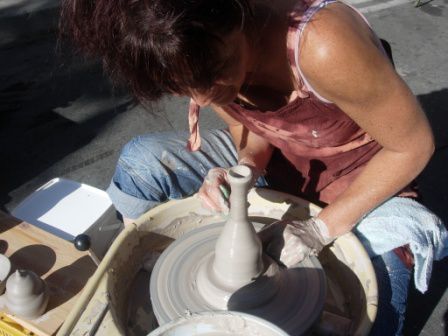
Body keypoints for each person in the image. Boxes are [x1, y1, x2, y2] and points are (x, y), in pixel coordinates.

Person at [60, 0, 448, 334]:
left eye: (216, 71)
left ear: (239, 15)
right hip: (280, 160)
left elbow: (412, 146)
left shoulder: (321, 43)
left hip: (365, 175)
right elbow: (247, 124)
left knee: (375, 310)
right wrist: (243, 166)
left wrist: (319, 229)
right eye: (180, 85)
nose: (202, 95)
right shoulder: (190, 52)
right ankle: (147, 264)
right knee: (143, 161)